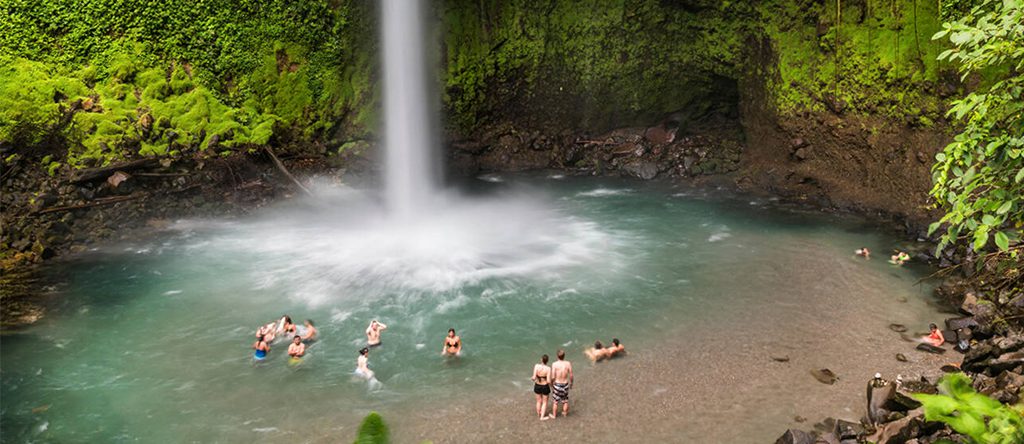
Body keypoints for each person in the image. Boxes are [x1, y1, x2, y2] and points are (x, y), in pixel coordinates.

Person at [549, 350, 574, 419]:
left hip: (557, 384)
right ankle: (565, 413)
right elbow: (571, 375)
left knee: (555, 401)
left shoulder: (554, 364)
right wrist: (571, 383)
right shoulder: (568, 363)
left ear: (557, 356)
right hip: (565, 384)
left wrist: (551, 383)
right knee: (565, 400)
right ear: (564, 356)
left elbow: (553, 376)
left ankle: (554, 415)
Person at [531, 354, 552, 421]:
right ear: (547, 361)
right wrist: (552, 385)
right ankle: (542, 417)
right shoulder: (548, 368)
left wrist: (533, 378)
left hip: (537, 385)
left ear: (541, 359)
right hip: (545, 386)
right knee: (544, 402)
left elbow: (534, 377)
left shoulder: (536, 366)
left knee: (538, 401)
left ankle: (538, 414)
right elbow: (548, 381)